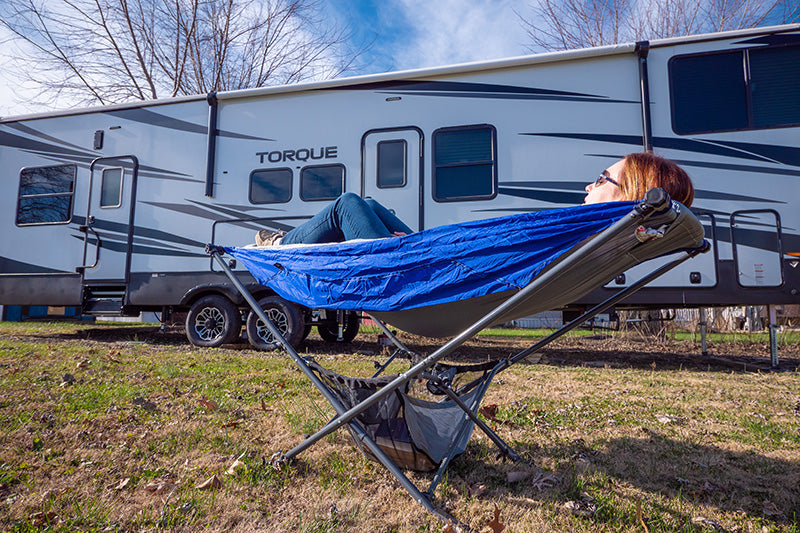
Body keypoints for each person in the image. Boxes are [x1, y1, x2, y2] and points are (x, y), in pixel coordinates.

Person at [255, 152, 694, 247]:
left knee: (347, 202)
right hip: (436, 256)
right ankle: (282, 241)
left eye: (601, 178)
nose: (587, 186)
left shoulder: (577, 230)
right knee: (370, 206)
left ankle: (278, 246)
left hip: (416, 274)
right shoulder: (593, 237)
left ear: (632, 194)